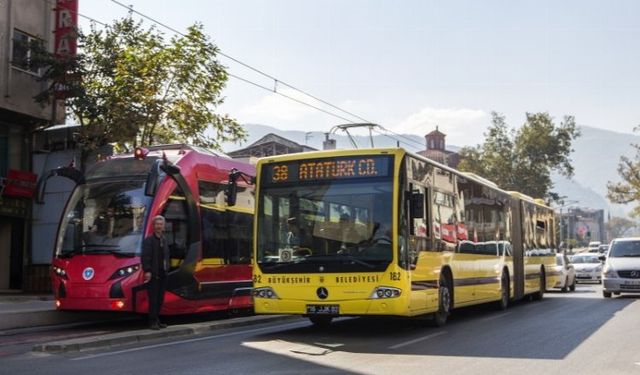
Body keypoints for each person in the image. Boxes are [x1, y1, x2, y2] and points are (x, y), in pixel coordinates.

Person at [141, 215, 170, 330]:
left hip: (163, 273)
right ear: (153, 226)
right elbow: (145, 257)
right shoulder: (149, 240)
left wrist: (167, 268)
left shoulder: (164, 239)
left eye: (161, 224)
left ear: (163, 226)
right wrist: (147, 270)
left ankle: (157, 320)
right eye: (157, 224)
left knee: (160, 298)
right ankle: (152, 321)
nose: (159, 226)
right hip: (153, 274)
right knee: (153, 299)